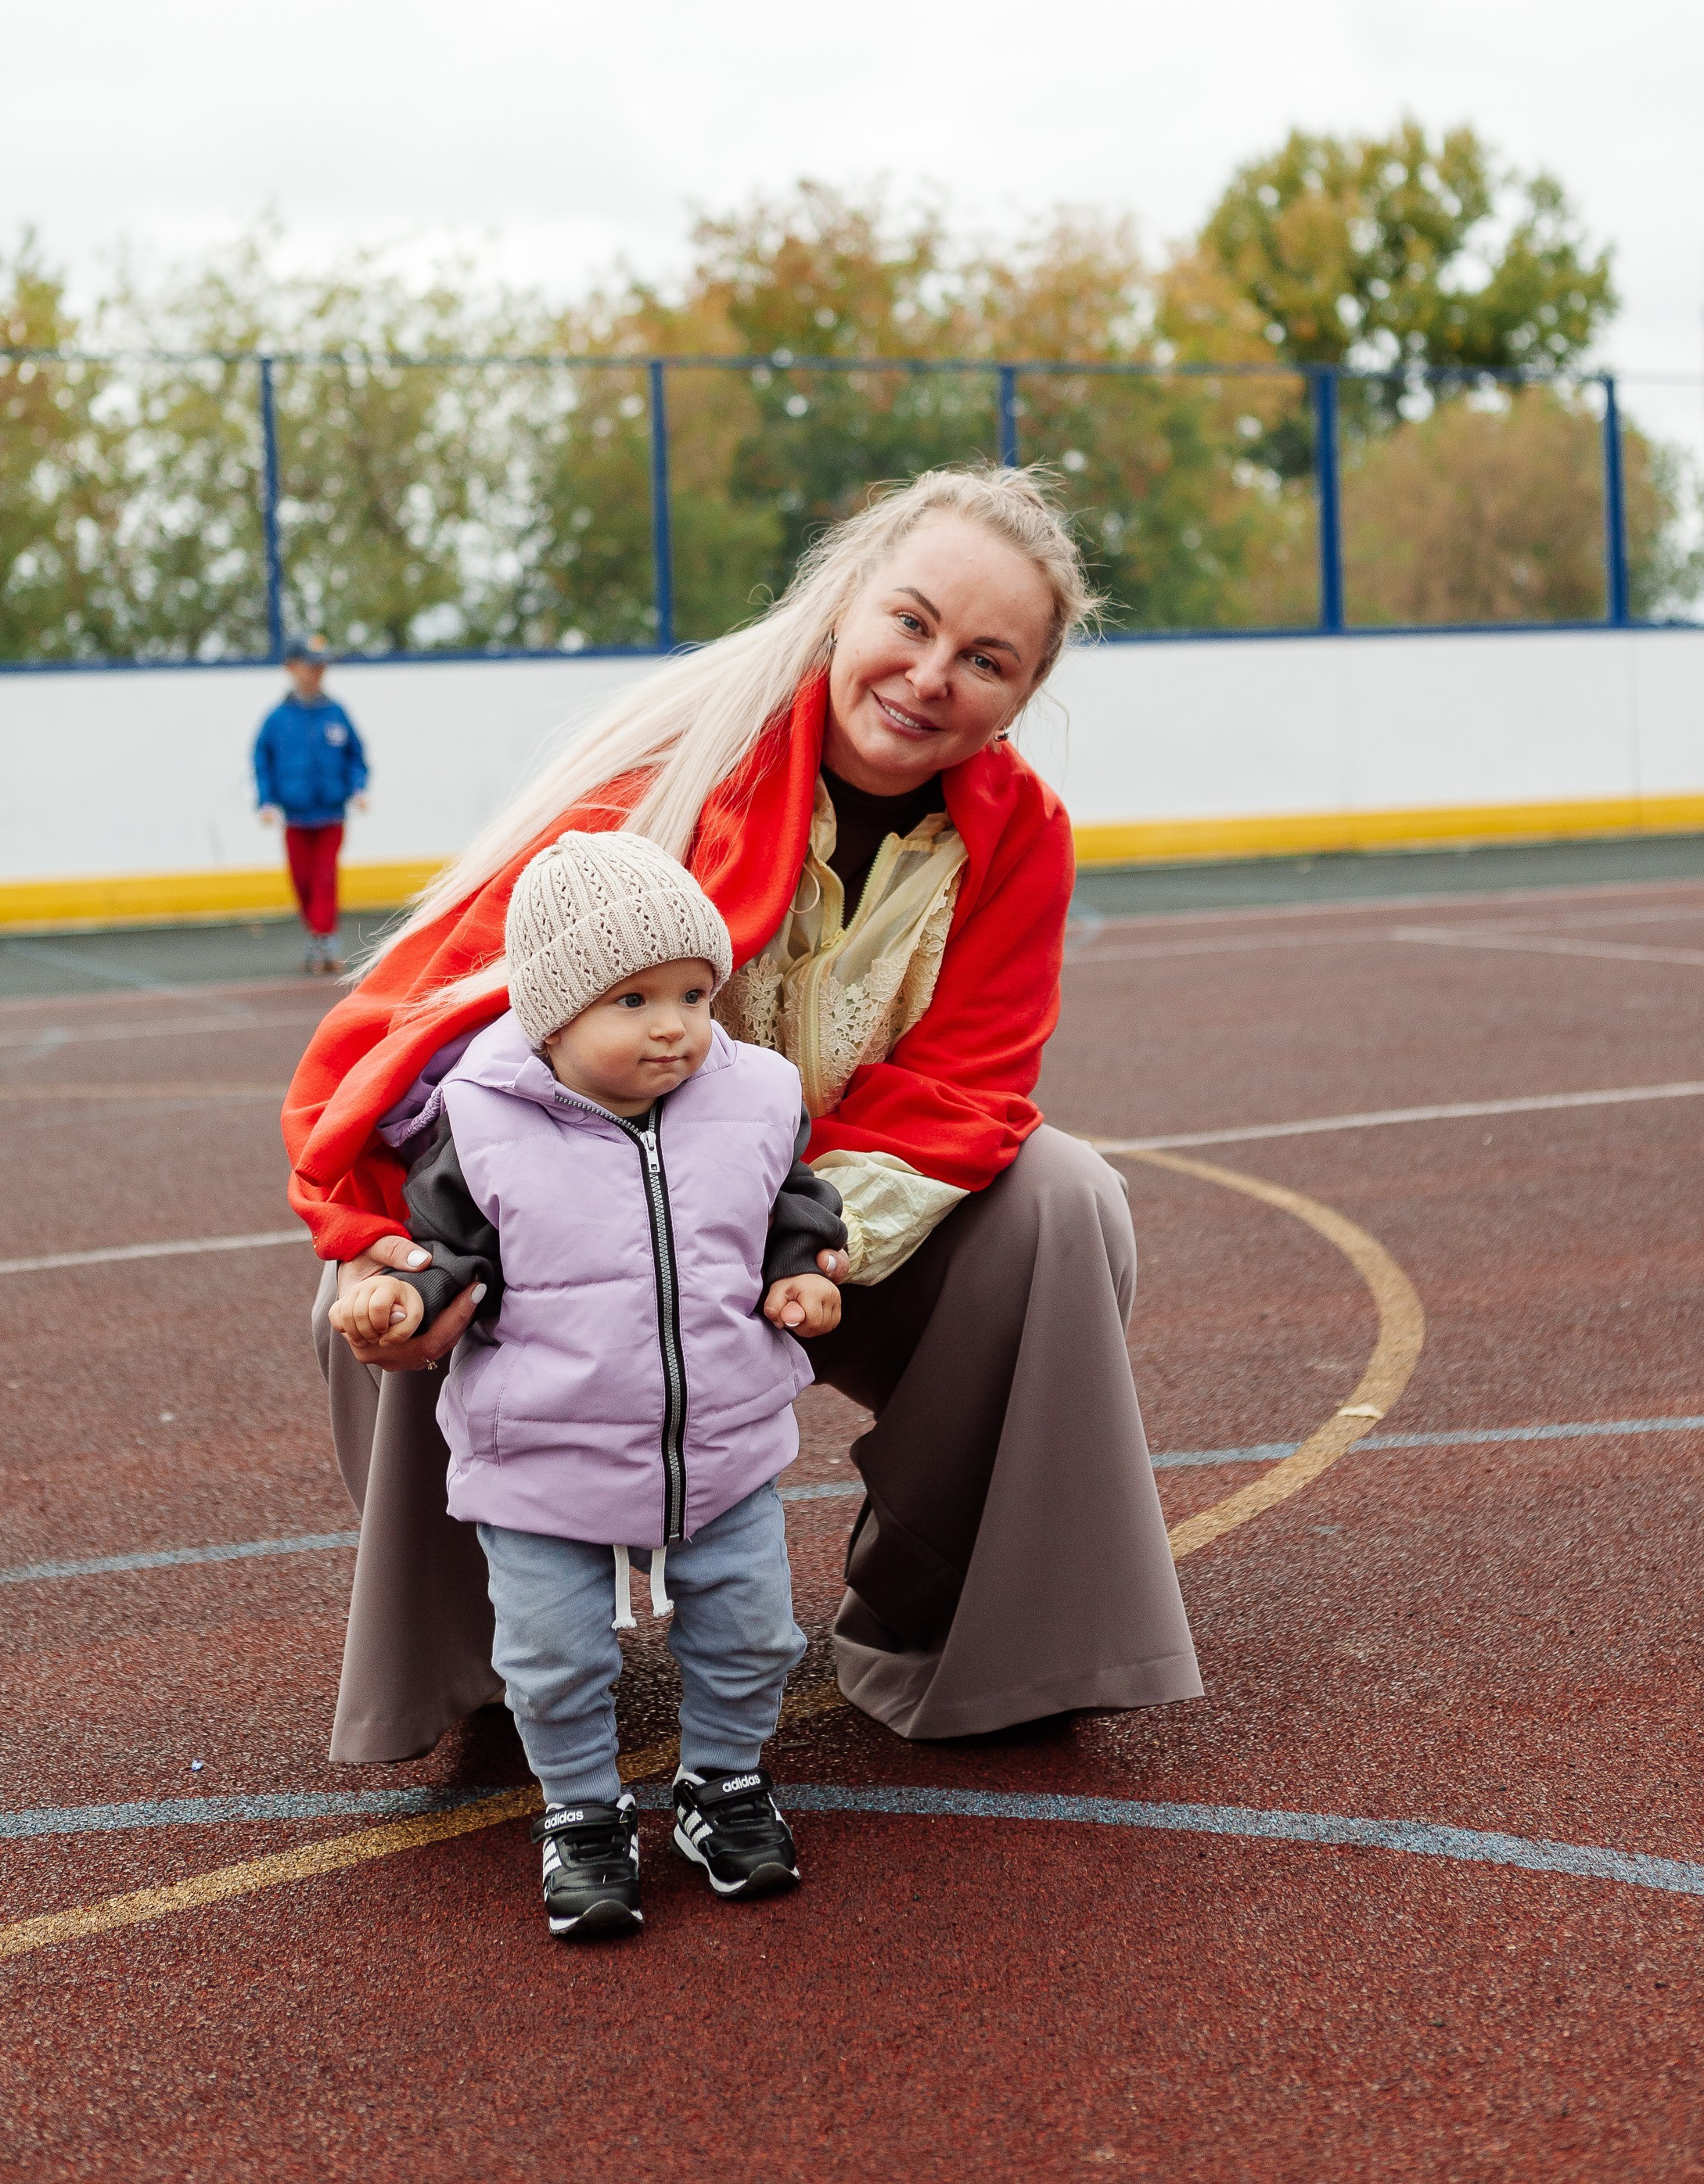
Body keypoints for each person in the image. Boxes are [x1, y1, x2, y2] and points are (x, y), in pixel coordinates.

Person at [287, 464, 1203, 1767]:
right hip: (583, 1225)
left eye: (987, 659)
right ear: (843, 609)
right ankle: (494, 1646)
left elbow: (965, 1092)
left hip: (823, 1242)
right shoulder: (674, 777)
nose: (932, 673)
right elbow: (464, 1029)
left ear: (1022, 697)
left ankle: (951, 1619)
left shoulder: (1018, 838)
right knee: (396, 1233)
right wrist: (404, 1252)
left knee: (1063, 1197)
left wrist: (780, 1246)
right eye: (912, 622)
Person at [333, 828, 846, 1939]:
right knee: (555, 1657)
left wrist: (800, 1269)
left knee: (755, 1635)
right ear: (551, 1016)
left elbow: (792, 1199)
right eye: (634, 1002)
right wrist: (404, 1304)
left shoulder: (752, 1096)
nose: (675, 1027)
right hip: (545, 1454)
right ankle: (580, 1812)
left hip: (720, 1443)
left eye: (696, 994)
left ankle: (721, 1785)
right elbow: (447, 1255)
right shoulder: (481, 1126)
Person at [253, 638, 368, 974]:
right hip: (295, 816)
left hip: (331, 813)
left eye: (321, 666)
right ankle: (317, 935)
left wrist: (358, 787)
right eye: (309, 665)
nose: (316, 673)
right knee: (302, 880)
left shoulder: (337, 713)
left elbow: (356, 756)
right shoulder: (278, 719)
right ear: (291, 667)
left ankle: (325, 940)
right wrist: (266, 800)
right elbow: (262, 759)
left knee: (324, 876)